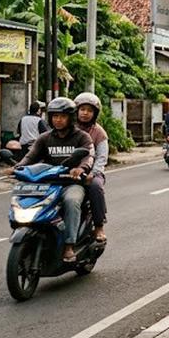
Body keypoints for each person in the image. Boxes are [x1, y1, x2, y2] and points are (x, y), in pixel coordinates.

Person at [12, 98, 94, 262]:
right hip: (46, 184)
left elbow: (88, 156)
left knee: (72, 201)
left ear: (70, 118)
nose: (58, 120)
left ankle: (69, 245)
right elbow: (30, 157)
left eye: (62, 116)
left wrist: (81, 169)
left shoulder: (82, 137)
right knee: (25, 201)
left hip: (71, 183)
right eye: (55, 116)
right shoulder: (44, 138)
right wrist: (17, 168)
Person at [75, 93, 109, 243]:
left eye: (89, 110)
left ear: (95, 114)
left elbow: (102, 157)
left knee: (96, 187)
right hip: (67, 173)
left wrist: (93, 173)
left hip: (91, 173)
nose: (85, 113)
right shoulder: (67, 128)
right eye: (82, 109)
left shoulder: (99, 132)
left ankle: (99, 225)